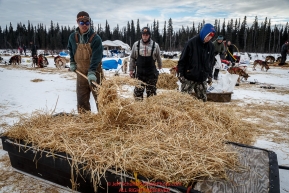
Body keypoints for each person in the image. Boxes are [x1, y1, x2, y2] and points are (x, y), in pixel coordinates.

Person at [67, 11, 104, 113]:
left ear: (90, 23)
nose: (84, 25)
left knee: (101, 100)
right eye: (81, 23)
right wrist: (72, 63)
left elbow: (97, 57)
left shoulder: (96, 38)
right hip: (81, 74)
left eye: (87, 23)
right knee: (82, 101)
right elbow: (71, 50)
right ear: (77, 22)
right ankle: (85, 122)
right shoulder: (72, 38)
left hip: (95, 74)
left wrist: (92, 72)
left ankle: (105, 122)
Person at [177, 23, 215, 102]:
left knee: (202, 101)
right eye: (208, 36)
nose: (209, 38)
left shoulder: (211, 46)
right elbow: (182, 60)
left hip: (202, 78)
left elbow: (211, 63)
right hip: (189, 77)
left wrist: (210, 75)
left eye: (211, 37)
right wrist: (181, 73)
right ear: (204, 33)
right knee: (183, 101)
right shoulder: (191, 43)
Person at [129, 27, 162, 100]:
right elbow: (132, 58)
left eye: (146, 35)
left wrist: (160, 65)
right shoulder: (136, 45)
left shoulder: (155, 45)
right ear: (141, 35)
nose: (145, 36)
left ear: (149, 35)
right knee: (137, 95)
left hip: (151, 75)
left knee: (151, 96)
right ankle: (138, 110)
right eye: (143, 35)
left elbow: (158, 57)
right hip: (139, 75)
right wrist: (131, 70)